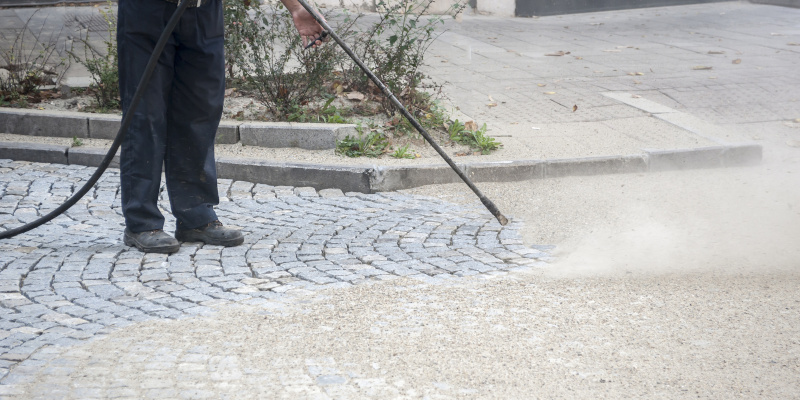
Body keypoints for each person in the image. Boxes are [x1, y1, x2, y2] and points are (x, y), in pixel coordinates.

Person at [117, 0, 325, 253]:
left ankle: (195, 217)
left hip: (204, 11)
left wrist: (296, 7)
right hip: (147, 11)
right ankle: (142, 222)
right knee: (145, 114)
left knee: (200, 111)